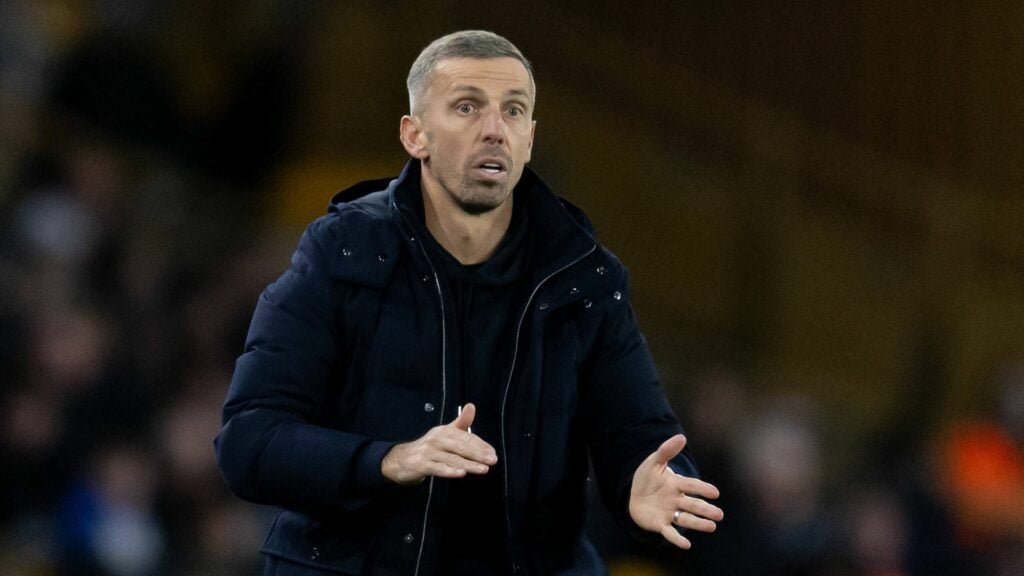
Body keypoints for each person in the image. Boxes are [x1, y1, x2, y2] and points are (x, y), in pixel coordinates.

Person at [215, 30, 723, 576]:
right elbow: (250, 443)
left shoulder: (588, 280)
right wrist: (386, 460)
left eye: (513, 112)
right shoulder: (341, 253)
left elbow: (643, 440)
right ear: (415, 135)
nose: (493, 131)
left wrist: (647, 484)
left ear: (529, 139)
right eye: (466, 107)